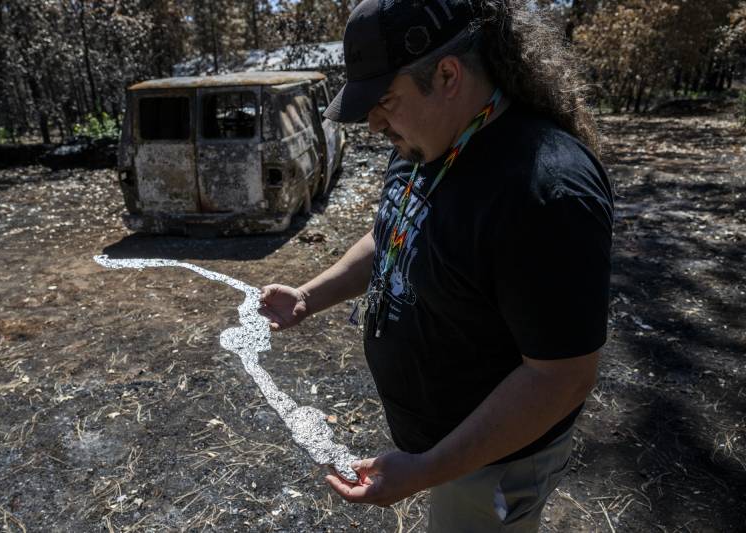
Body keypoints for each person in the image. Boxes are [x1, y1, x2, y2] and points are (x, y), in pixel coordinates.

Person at [259, 0, 614, 530]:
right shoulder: (426, 137)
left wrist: (427, 469)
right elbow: (396, 233)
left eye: (384, 100)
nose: (374, 123)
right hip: (445, 451)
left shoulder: (543, 192)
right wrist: (311, 295)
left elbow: (560, 377)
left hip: (495, 462)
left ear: (447, 74)